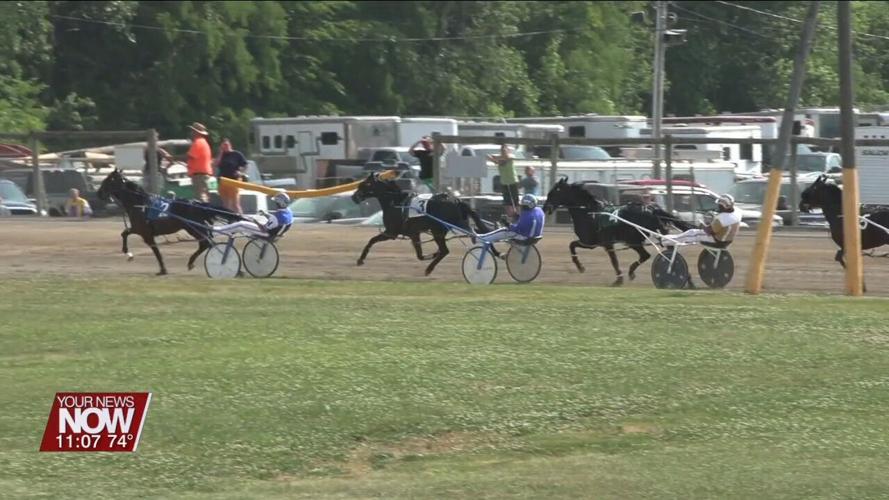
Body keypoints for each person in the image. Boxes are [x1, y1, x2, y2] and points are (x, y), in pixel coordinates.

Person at [663, 194, 742, 246]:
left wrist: (702, 225)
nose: (718, 206)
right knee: (693, 232)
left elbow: (709, 231)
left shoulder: (721, 219)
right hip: (727, 241)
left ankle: (665, 240)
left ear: (724, 206)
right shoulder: (737, 213)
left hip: (717, 241)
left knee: (691, 233)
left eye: (719, 205)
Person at [213, 192, 293, 239]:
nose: (274, 204)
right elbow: (274, 221)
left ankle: (215, 231)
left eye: (276, 202)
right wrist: (265, 214)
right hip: (274, 233)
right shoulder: (289, 212)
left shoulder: (275, 217)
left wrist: (255, 221)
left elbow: (264, 229)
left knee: (241, 224)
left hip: (265, 234)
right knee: (245, 221)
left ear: (279, 203)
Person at [480, 194, 545, 244]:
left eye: (523, 206)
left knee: (504, 230)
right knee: (507, 230)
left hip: (525, 239)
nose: (522, 207)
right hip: (535, 237)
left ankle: (481, 238)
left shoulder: (527, 215)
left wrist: (507, 224)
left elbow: (517, 230)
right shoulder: (539, 211)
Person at [216, 139, 249, 213]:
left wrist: (240, 172)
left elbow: (245, 165)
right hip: (223, 181)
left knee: (235, 204)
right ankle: (227, 218)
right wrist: (221, 153)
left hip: (234, 181)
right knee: (225, 205)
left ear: (230, 145)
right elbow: (216, 164)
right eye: (224, 145)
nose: (225, 147)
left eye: (227, 145)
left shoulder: (236, 154)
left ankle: (240, 217)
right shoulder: (221, 155)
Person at [488, 144, 519, 220]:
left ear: (508, 150)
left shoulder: (511, 156)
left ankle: (518, 216)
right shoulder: (499, 159)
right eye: (502, 150)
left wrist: (496, 159)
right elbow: (488, 156)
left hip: (512, 181)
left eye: (505, 150)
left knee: (515, 201)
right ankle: (510, 217)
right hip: (504, 182)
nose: (503, 151)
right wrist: (495, 159)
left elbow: (507, 158)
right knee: (507, 202)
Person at [186, 122, 213, 203]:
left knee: (200, 198)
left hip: (199, 175)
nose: (191, 133)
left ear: (196, 132)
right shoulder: (204, 142)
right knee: (204, 196)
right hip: (203, 174)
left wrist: (173, 157)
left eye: (193, 131)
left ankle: (203, 211)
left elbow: (190, 156)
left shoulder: (198, 142)